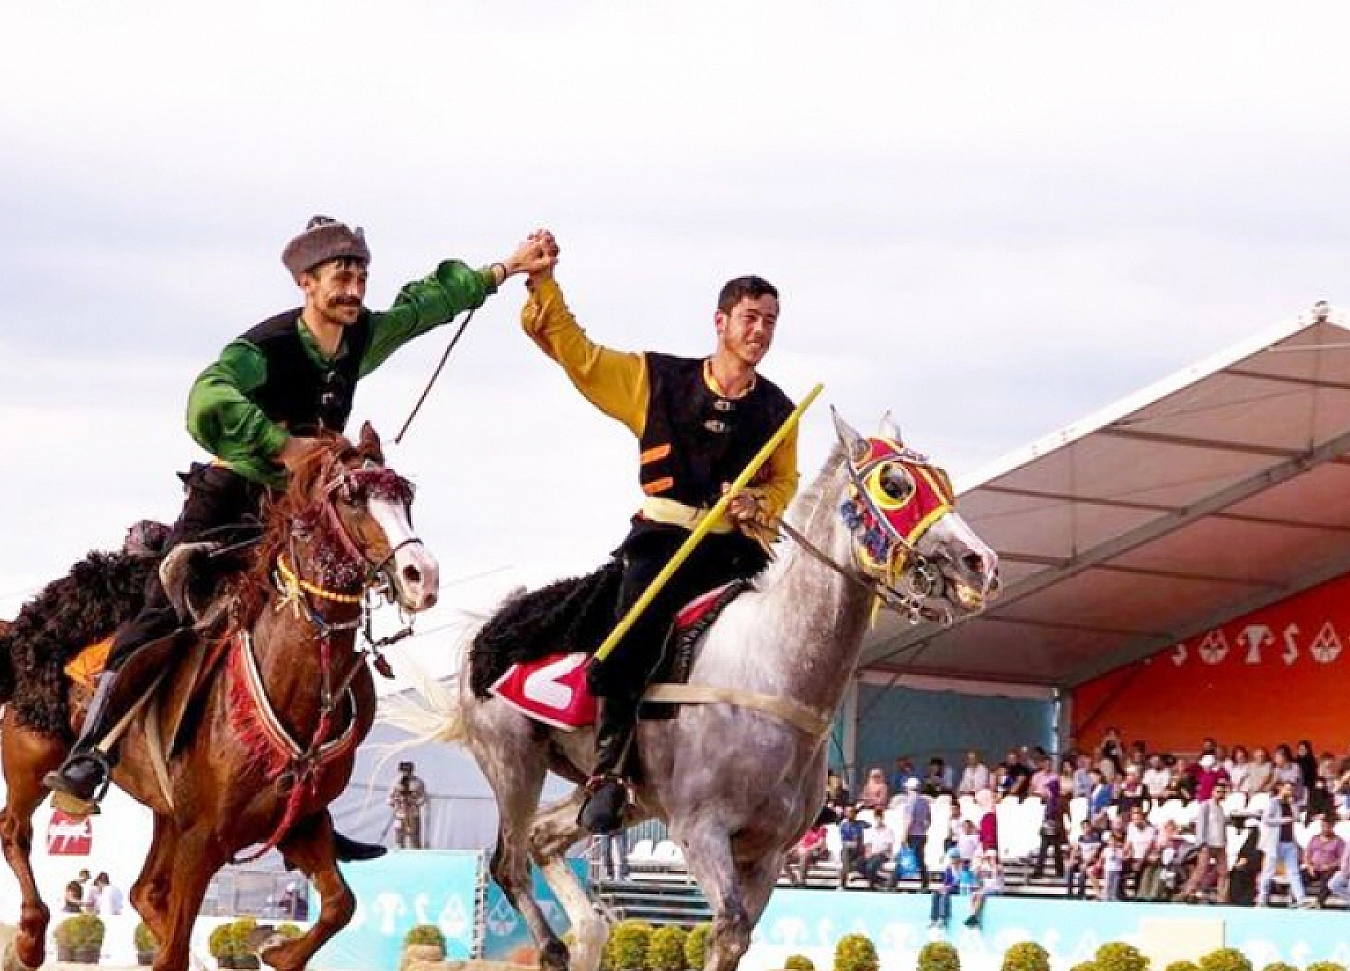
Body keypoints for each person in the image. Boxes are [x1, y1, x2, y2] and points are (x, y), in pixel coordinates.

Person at [42, 216, 554, 853]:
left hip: (301, 512)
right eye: (341, 275)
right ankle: (92, 754)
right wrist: (279, 445)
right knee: (165, 613)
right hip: (232, 496)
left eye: (360, 274)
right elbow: (207, 397)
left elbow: (427, 305)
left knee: (324, 629)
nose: (354, 286)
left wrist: (505, 268)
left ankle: (311, 802)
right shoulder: (266, 346)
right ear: (306, 282)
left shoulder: (361, 336)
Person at [518, 238, 799, 834]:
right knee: (634, 634)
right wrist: (545, 287)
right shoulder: (656, 378)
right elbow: (583, 357)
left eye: (770, 322)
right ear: (720, 322)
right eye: (751, 318)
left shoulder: (780, 411)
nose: (761, 331)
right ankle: (608, 771)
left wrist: (760, 503)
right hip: (663, 542)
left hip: (733, 550)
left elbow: (785, 483)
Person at [1257, 781, 1307, 907]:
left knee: (1293, 871)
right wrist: (1282, 821)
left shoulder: (1291, 804)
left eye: (1291, 790)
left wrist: (1293, 805)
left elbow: (1297, 818)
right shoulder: (1273, 803)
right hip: (1275, 842)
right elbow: (1266, 819)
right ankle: (1262, 899)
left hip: (1289, 842)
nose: (1289, 792)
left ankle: (1301, 900)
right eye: (1287, 789)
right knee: (1269, 871)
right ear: (1281, 789)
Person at [898, 777, 933, 891]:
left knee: (903, 857)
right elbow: (928, 820)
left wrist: (904, 835)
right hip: (922, 834)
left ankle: (892, 883)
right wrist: (923, 828)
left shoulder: (910, 801)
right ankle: (925, 882)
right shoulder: (924, 801)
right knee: (920, 859)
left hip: (912, 834)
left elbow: (909, 819)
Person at [390, 761, 430, 850]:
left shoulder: (418, 782)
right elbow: (390, 797)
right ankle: (399, 856)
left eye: (407, 770)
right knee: (398, 838)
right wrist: (395, 801)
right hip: (399, 814)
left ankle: (415, 856)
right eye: (403, 770)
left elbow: (423, 797)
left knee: (414, 839)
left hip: (413, 814)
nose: (405, 772)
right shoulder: (396, 782)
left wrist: (414, 802)